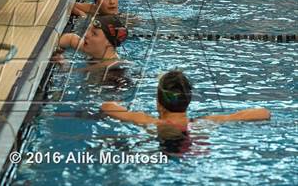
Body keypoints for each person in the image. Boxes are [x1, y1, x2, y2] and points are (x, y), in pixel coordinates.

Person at [101, 70, 271, 132]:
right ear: (188, 101)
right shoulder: (203, 123)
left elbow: (107, 106)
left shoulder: (150, 123)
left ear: (158, 103)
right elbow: (264, 113)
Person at [53, 15, 128, 71]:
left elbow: (69, 73)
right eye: (88, 29)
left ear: (108, 43)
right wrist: (57, 47)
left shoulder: (107, 65)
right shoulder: (96, 50)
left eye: (94, 34)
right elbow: (71, 38)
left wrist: (63, 63)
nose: (86, 35)